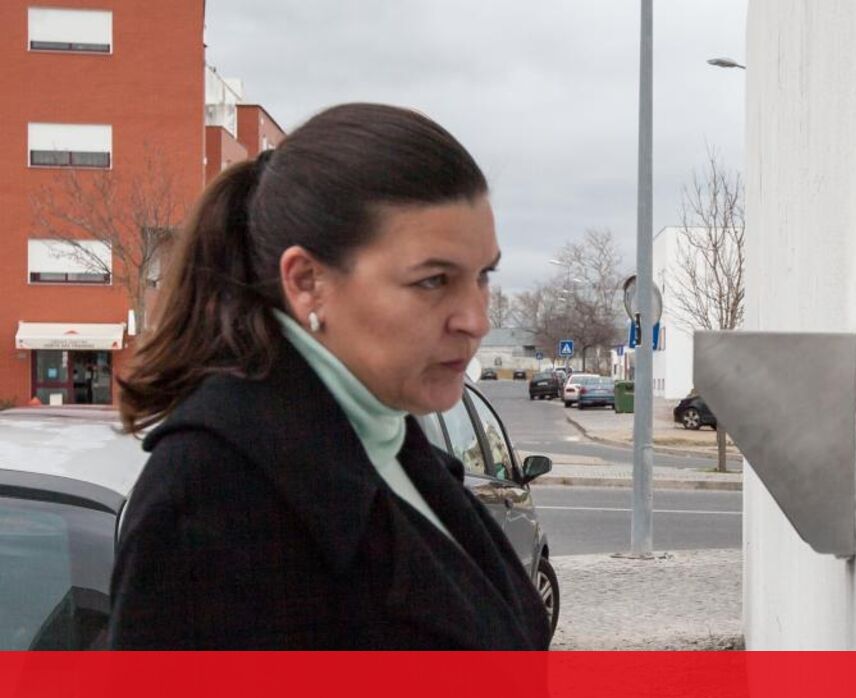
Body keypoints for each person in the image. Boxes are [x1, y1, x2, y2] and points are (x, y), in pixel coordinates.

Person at [109, 103, 551, 649]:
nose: (476, 320)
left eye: (483, 275)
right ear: (306, 282)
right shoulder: (213, 495)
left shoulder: (391, 446)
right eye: (434, 280)